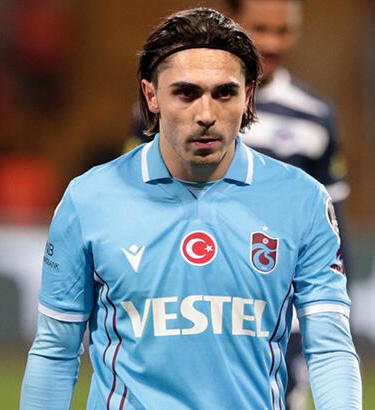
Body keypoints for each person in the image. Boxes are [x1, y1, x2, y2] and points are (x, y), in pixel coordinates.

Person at [20, 7, 361, 410]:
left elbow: (330, 348)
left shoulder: (303, 201)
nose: (206, 115)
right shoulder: (89, 199)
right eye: (186, 93)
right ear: (151, 96)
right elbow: (56, 351)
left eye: (224, 93)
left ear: (249, 95)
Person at [123, 2, 352, 408]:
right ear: (233, 26)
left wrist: (334, 303)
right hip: (182, 303)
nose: (272, 43)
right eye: (260, 28)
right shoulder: (170, 107)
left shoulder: (315, 116)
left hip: (274, 307)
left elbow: (331, 224)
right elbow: (131, 199)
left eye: (283, 31)